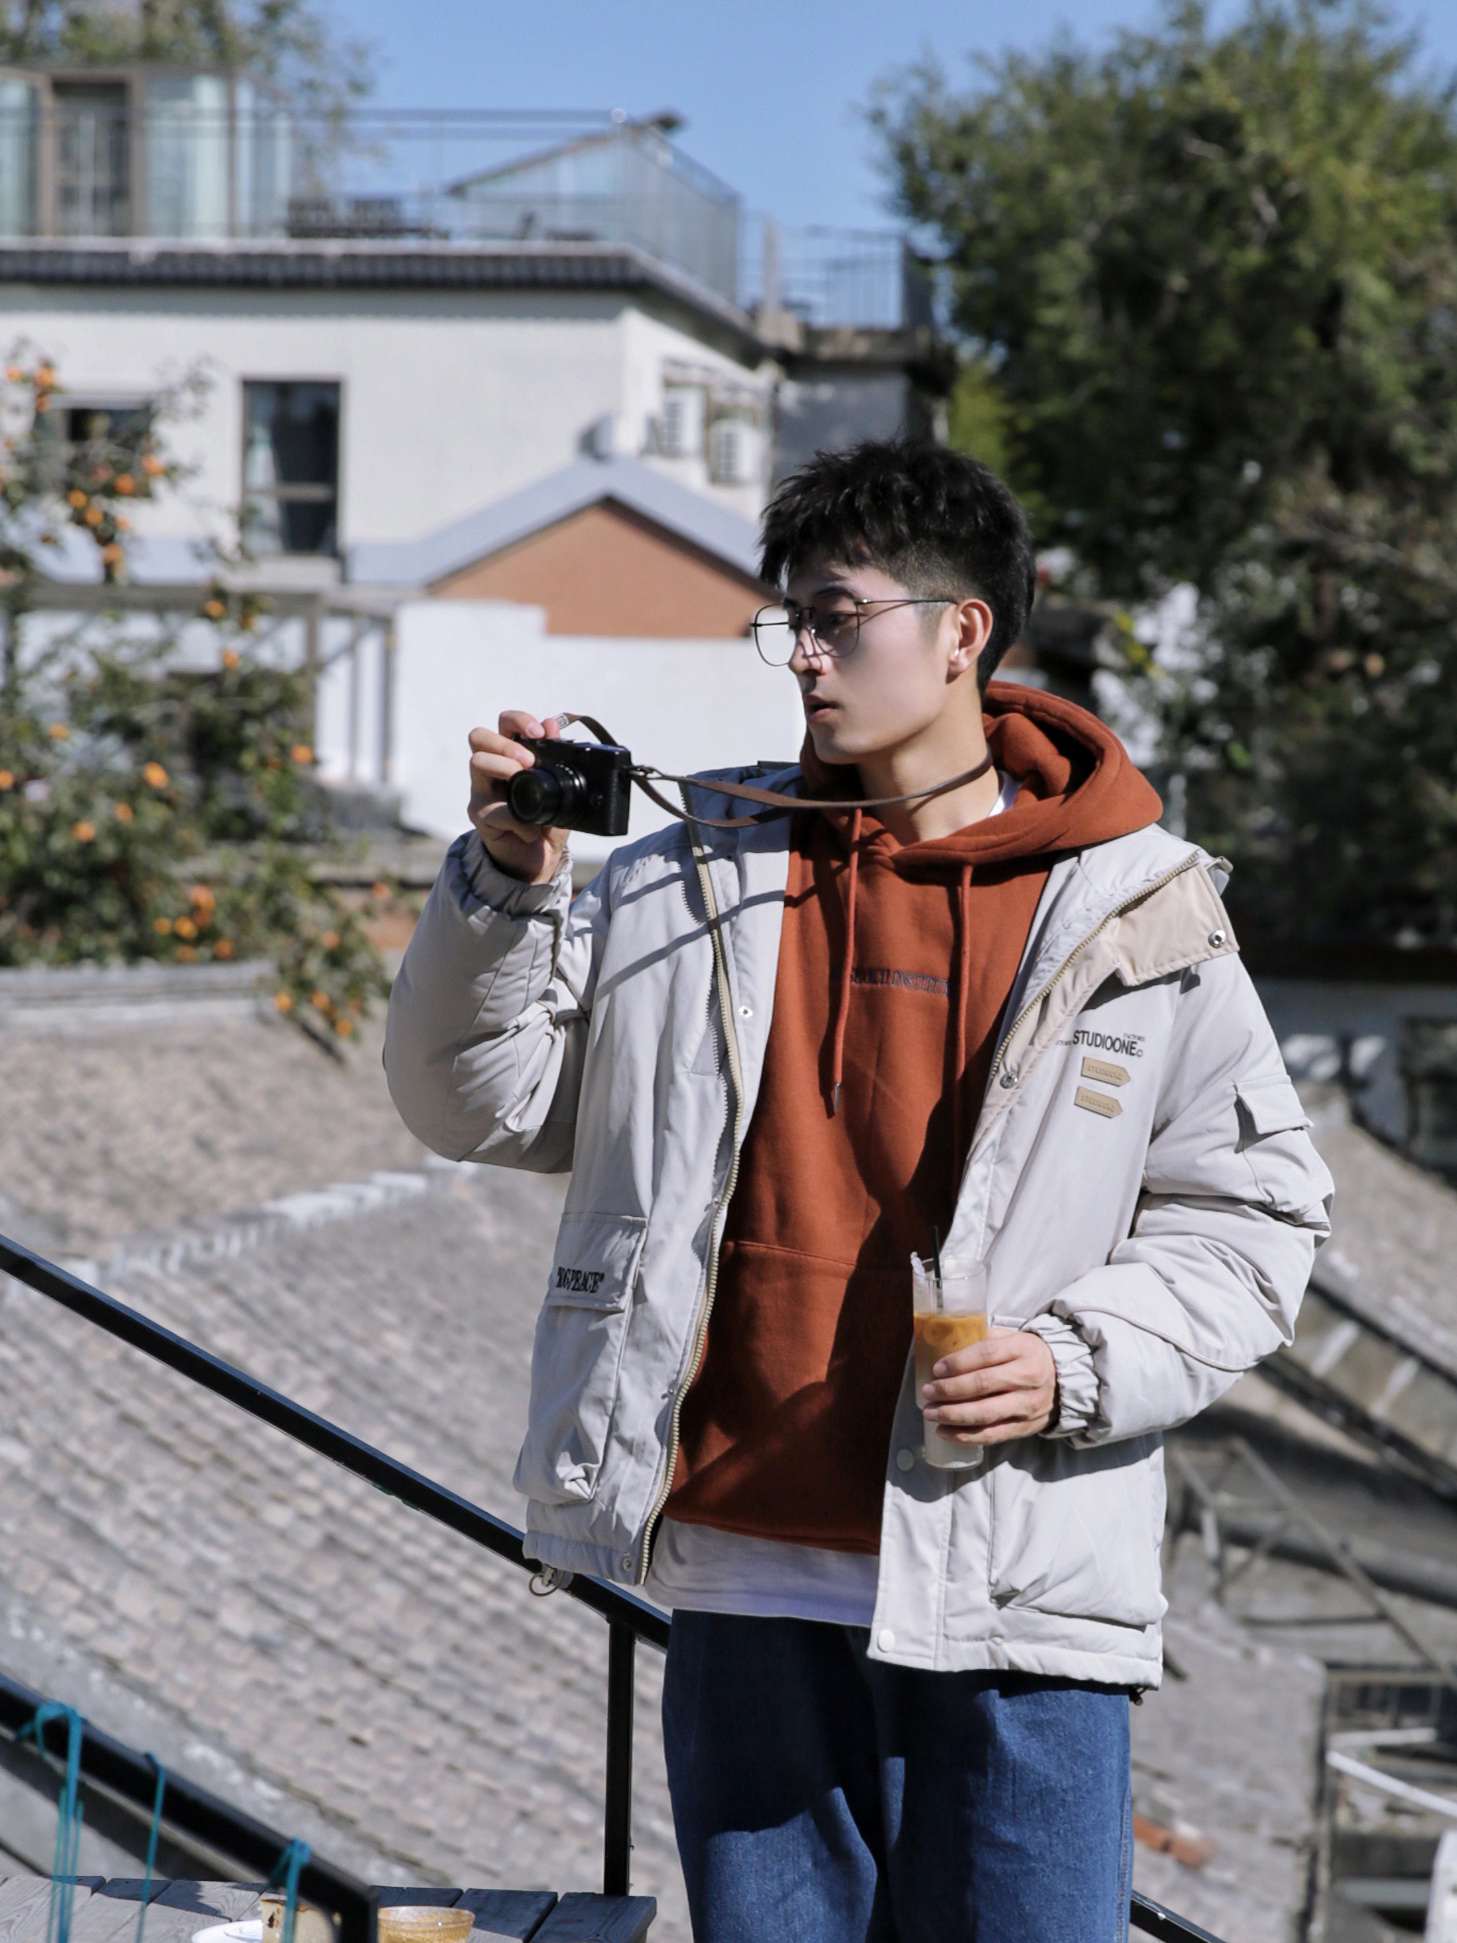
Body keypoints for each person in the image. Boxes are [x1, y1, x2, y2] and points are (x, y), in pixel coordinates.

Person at [384, 438, 1333, 1942]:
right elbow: (474, 1100)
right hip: (745, 1577)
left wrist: (1076, 1362)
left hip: (1018, 1584)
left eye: (839, 618)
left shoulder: (1133, 904)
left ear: (963, 632)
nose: (805, 658)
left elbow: (1253, 1215)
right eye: (792, 623)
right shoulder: (688, 872)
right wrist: (507, 882)